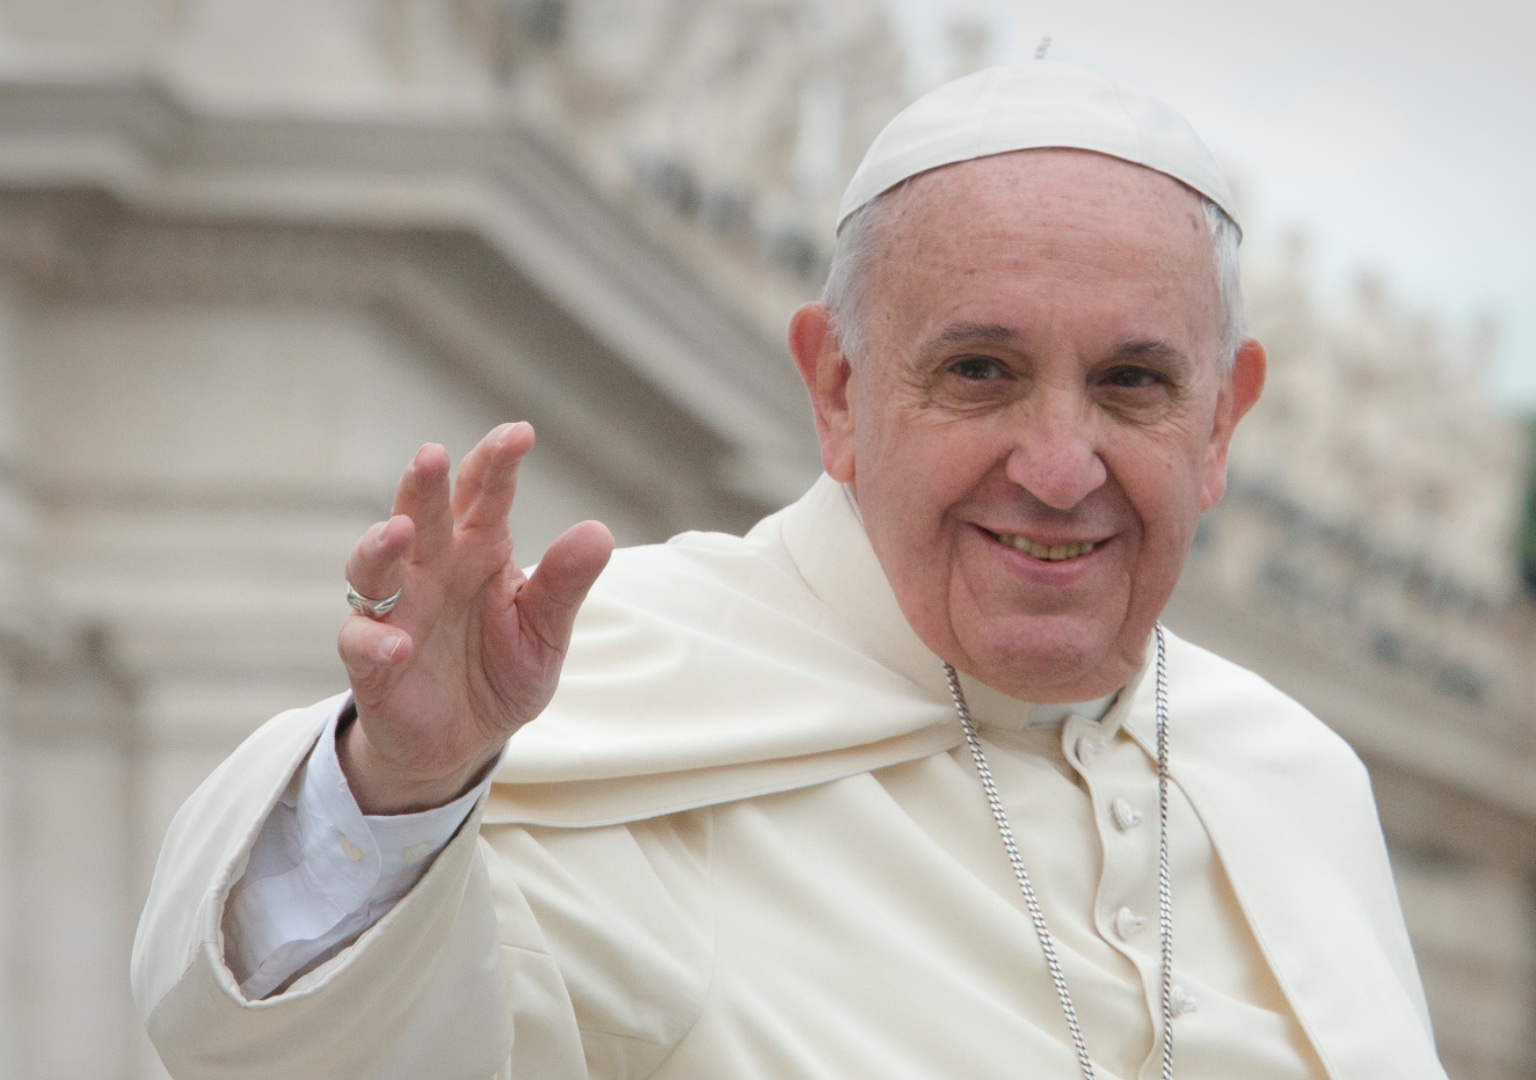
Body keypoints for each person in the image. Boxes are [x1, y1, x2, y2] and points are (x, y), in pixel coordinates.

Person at [132, 60, 1446, 1080]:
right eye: (978, 370)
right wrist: (403, 791)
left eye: (1134, 383)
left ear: (1222, 422)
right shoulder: (618, 707)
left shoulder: (1296, 777)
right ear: (836, 388)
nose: (1059, 464)